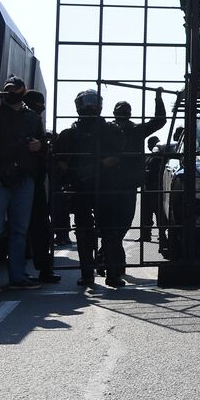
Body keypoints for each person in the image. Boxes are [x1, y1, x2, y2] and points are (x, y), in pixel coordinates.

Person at [0, 80, 46, 293]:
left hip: (23, 177)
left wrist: (39, 145)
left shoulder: (32, 116)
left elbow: (43, 142)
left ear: (23, 92)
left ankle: (17, 276)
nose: (11, 93)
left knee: (19, 231)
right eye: (8, 91)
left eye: (15, 90)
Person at [54, 89, 126, 288]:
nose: (91, 106)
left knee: (109, 231)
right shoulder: (70, 134)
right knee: (84, 231)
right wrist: (75, 172)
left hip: (104, 185)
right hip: (81, 187)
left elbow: (116, 157)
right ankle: (89, 274)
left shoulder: (109, 130)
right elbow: (59, 160)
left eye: (94, 103)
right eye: (88, 103)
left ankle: (111, 273)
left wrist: (96, 168)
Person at [110, 91, 167, 279]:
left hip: (122, 183)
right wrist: (158, 98)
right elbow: (160, 120)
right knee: (116, 225)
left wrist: (158, 99)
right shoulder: (113, 131)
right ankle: (111, 260)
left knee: (117, 225)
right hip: (117, 183)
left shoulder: (133, 131)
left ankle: (110, 258)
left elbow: (159, 121)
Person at [21, 89, 60, 283]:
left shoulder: (33, 120)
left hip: (31, 179)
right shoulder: (27, 119)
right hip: (24, 178)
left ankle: (41, 268)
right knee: (35, 227)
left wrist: (43, 145)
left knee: (35, 227)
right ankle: (41, 269)